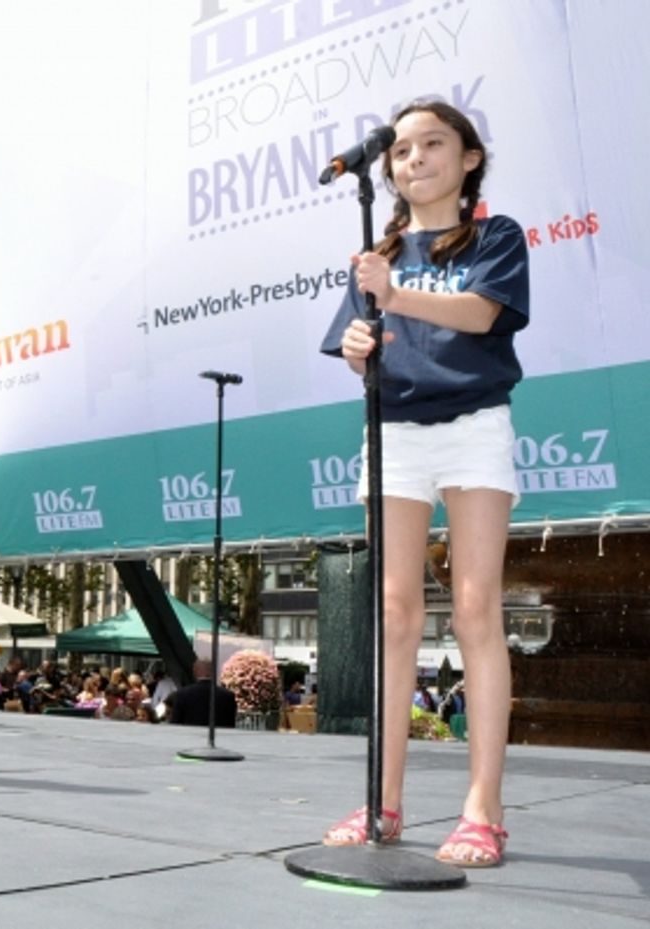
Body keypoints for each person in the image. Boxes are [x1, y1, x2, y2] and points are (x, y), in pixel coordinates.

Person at [318, 100, 528, 868]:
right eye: (400, 149)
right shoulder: (378, 254)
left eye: (433, 143)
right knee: (396, 610)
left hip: (473, 424)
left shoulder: (496, 236)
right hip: (394, 431)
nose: (413, 159)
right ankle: (385, 798)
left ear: (469, 158)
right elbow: (358, 347)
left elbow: (481, 313)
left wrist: (395, 294)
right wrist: (354, 342)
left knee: (476, 605)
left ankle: (484, 806)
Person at [170, 659, 237, 728]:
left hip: (190, 736)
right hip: (219, 737)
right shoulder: (228, 696)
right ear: (213, 672)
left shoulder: (182, 694)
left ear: (195, 672)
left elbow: (176, 724)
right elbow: (231, 723)